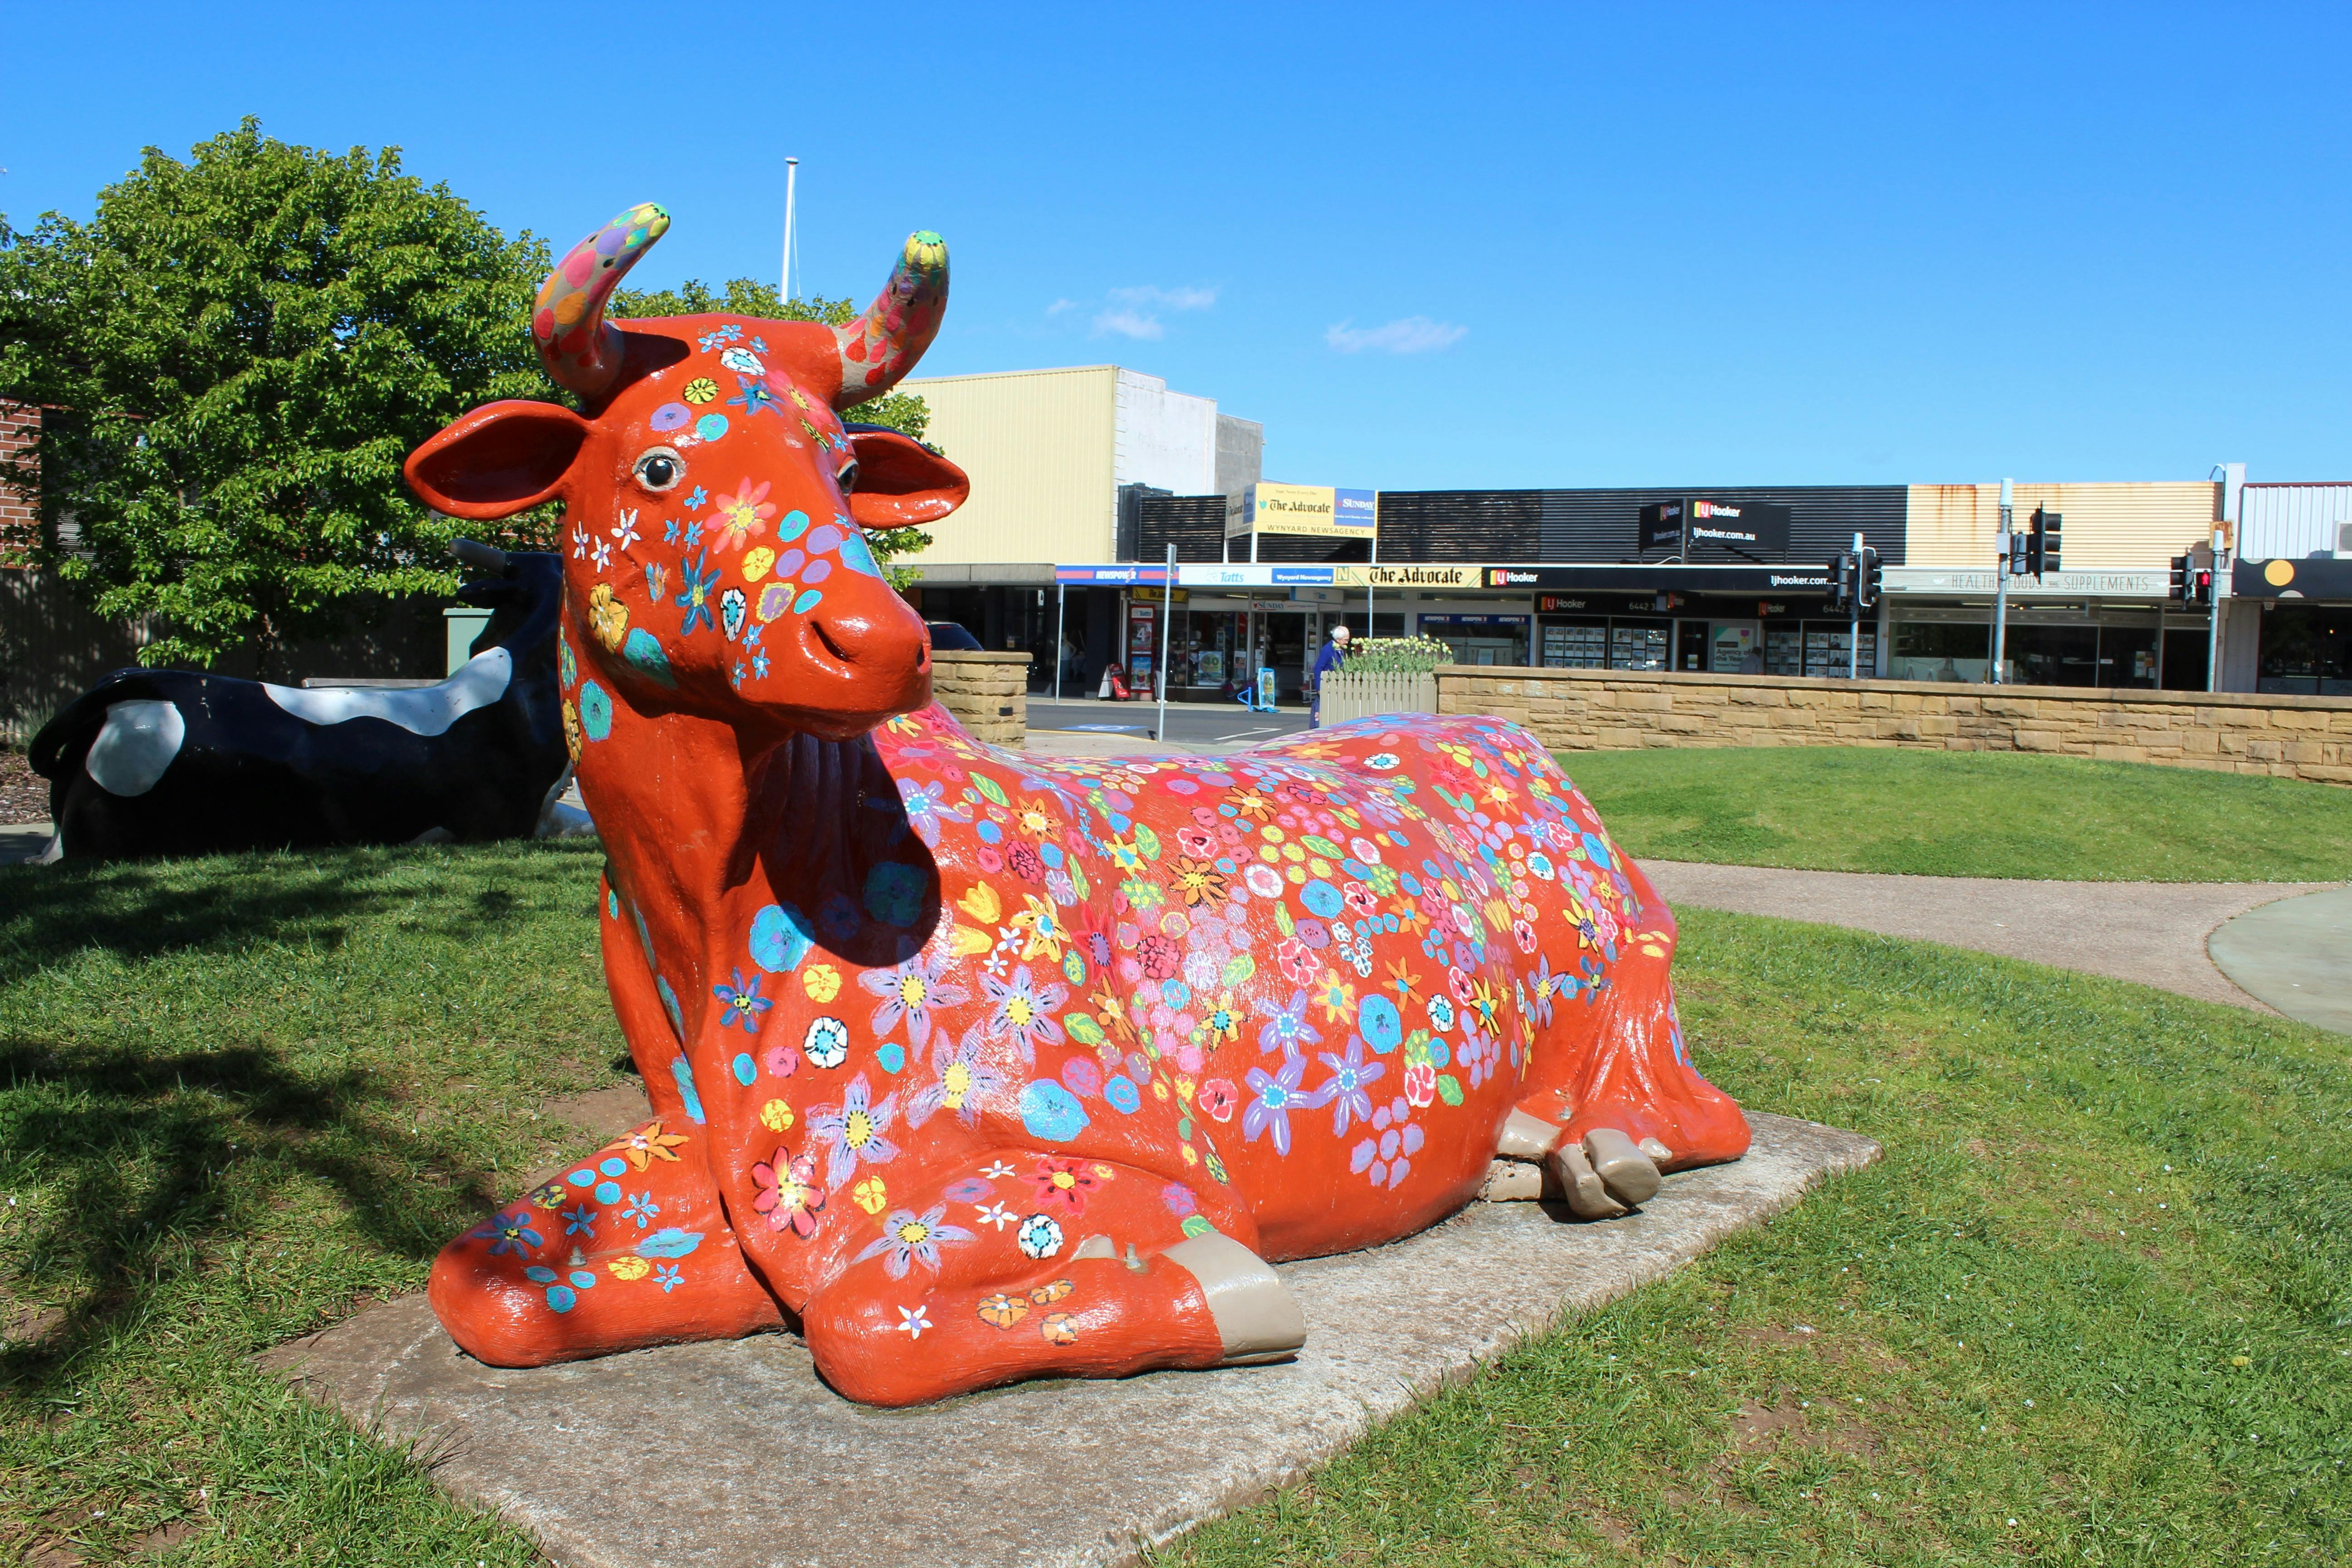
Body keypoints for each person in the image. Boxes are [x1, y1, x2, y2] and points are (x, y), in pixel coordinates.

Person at [1309, 622, 1351, 727]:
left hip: (1337, 687)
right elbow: (1318, 668)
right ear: (1338, 639)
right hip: (1327, 686)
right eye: (1345, 640)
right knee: (1324, 715)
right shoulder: (1328, 650)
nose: (1347, 642)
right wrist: (1319, 689)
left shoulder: (1341, 650)